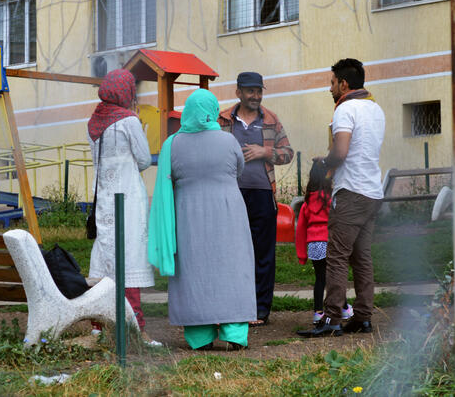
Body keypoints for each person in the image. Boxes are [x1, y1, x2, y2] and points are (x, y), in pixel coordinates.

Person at [148, 89, 256, 350]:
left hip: (188, 214)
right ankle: (234, 335)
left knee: (194, 268)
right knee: (232, 267)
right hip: (228, 212)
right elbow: (239, 168)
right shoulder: (228, 141)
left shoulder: (172, 144)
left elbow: (167, 177)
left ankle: (200, 337)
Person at [302, 58, 385, 337]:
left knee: (336, 256)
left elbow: (341, 152)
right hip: (373, 192)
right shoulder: (375, 109)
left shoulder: (345, 109)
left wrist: (324, 163)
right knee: (362, 258)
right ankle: (362, 317)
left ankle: (332, 318)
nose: (330, 88)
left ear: (344, 83)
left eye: (332, 82)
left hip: (350, 192)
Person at [87, 69, 159, 345]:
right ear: (126, 92)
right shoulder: (128, 120)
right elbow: (142, 159)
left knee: (106, 255)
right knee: (128, 257)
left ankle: (98, 326)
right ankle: (136, 329)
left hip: (104, 197)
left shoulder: (93, 121)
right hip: (128, 196)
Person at [218, 72, 294, 326]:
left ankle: (261, 311)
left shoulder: (271, 120)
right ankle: (234, 307)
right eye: (250, 91)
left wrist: (265, 151)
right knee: (231, 252)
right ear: (238, 92)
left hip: (263, 195)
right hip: (230, 195)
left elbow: (288, 153)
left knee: (263, 254)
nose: (256, 96)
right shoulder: (222, 119)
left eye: (259, 91)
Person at [294, 161, 353, 327]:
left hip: (314, 245)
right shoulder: (332, 198)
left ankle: (318, 312)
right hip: (330, 242)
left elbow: (300, 230)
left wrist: (302, 255)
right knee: (334, 278)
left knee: (320, 278)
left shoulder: (307, 202)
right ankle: (344, 308)